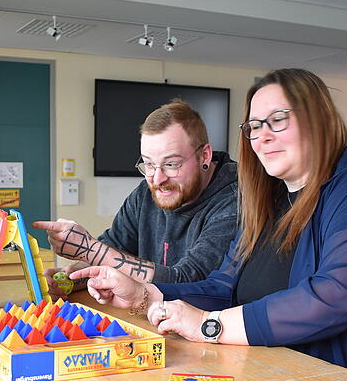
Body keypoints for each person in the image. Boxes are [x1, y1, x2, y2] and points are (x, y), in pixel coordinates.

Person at [71, 69, 347, 381]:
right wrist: (145, 293)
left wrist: (207, 325)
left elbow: (334, 297)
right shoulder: (267, 201)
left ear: (320, 120)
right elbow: (222, 287)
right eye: (253, 127)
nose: (262, 136)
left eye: (277, 120)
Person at [33, 100, 238, 296]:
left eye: (172, 164)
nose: (157, 179)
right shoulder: (146, 193)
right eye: (149, 164)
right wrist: (72, 277)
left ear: (204, 156)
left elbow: (188, 281)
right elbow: (115, 247)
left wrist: (90, 249)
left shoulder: (234, 200)